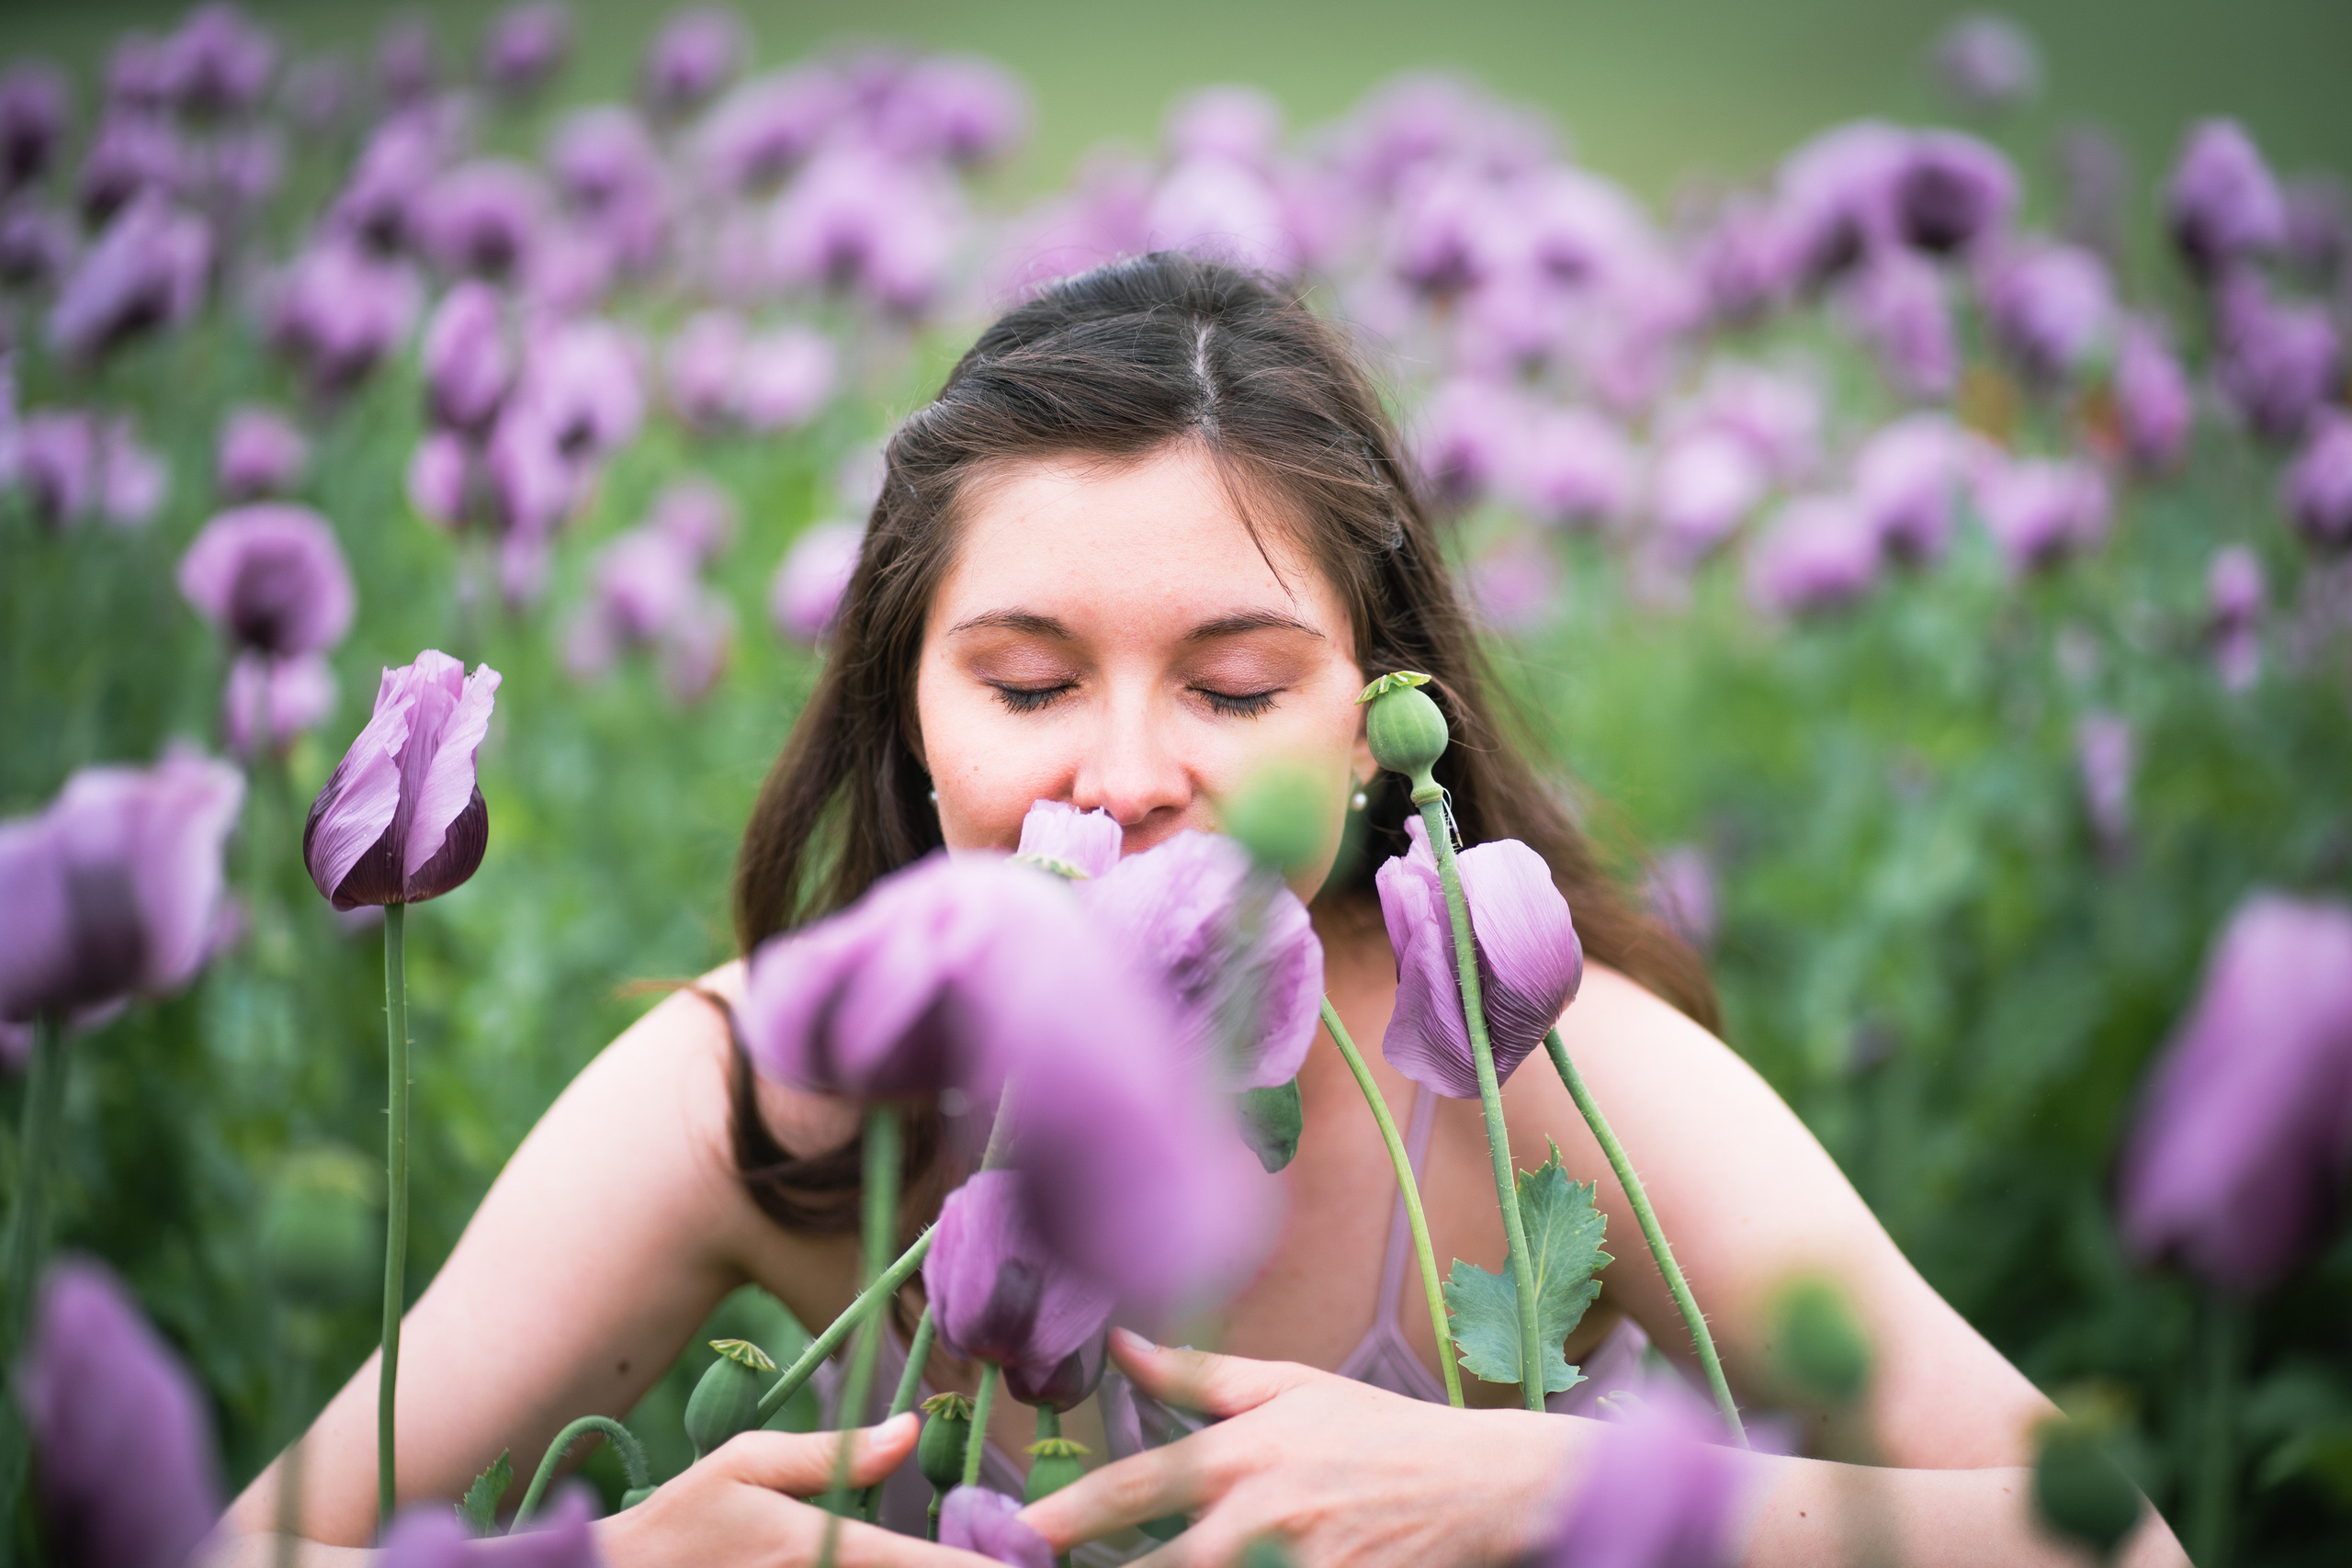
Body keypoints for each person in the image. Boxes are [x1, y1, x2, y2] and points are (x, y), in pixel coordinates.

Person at [218, 253, 2188, 1567]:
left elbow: (2112, 1537)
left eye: (1233, 688)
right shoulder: (774, 1084)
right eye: (1024, 678)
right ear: (904, 713)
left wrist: (1530, 1481)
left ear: (1361, 724)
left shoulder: (1522, 1075)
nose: (1128, 769)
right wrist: (608, 1557)